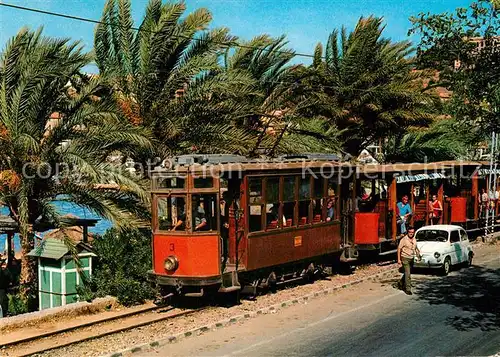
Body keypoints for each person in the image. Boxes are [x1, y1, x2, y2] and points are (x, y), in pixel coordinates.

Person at [397, 226, 420, 295]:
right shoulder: (404, 239)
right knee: (408, 274)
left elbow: (415, 247)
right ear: (408, 232)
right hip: (405, 258)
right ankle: (408, 289)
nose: (411, 233)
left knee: (407, 273)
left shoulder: (414, 239)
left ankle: (400, 283)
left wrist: (418, 254)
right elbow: (399, 249)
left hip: (411, 258)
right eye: (410, 232)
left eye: (412, 232)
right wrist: (399, 259)